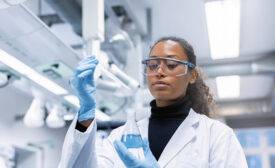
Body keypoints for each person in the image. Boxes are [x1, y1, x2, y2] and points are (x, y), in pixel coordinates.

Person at [58, 37, 248, 168]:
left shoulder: (216, 136)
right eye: (153, 65)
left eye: (171, 65)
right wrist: (86, 112)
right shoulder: (122, 136)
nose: (159, 71)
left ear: (192, 75)